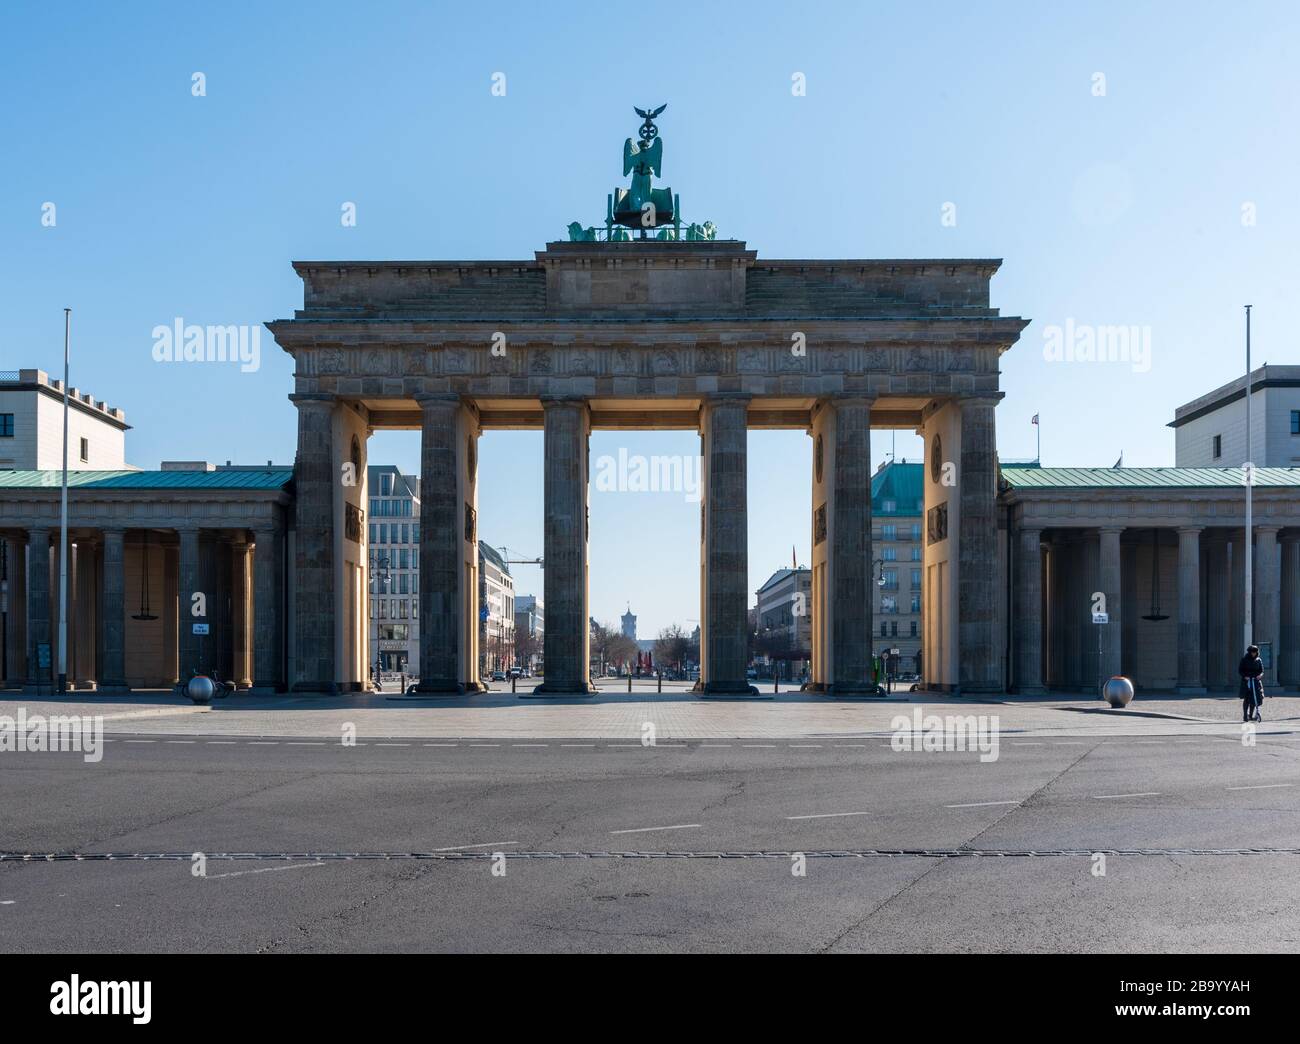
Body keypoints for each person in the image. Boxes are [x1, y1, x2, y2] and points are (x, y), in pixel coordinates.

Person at [1238, 645, 1264, 723]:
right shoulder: (1244, 659)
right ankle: (1245, 715)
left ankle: (1251, 715)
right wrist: (1245, 676)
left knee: (1254, 698)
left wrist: (1260, 675)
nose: (1254, 654)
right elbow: (1240, 670)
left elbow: (1262, 670)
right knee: (1247, 698)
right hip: (1247, 681)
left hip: (1256, 681)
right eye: (1252, 652)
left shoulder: (1258, 660)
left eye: (1255, 652)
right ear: (1249, 652)